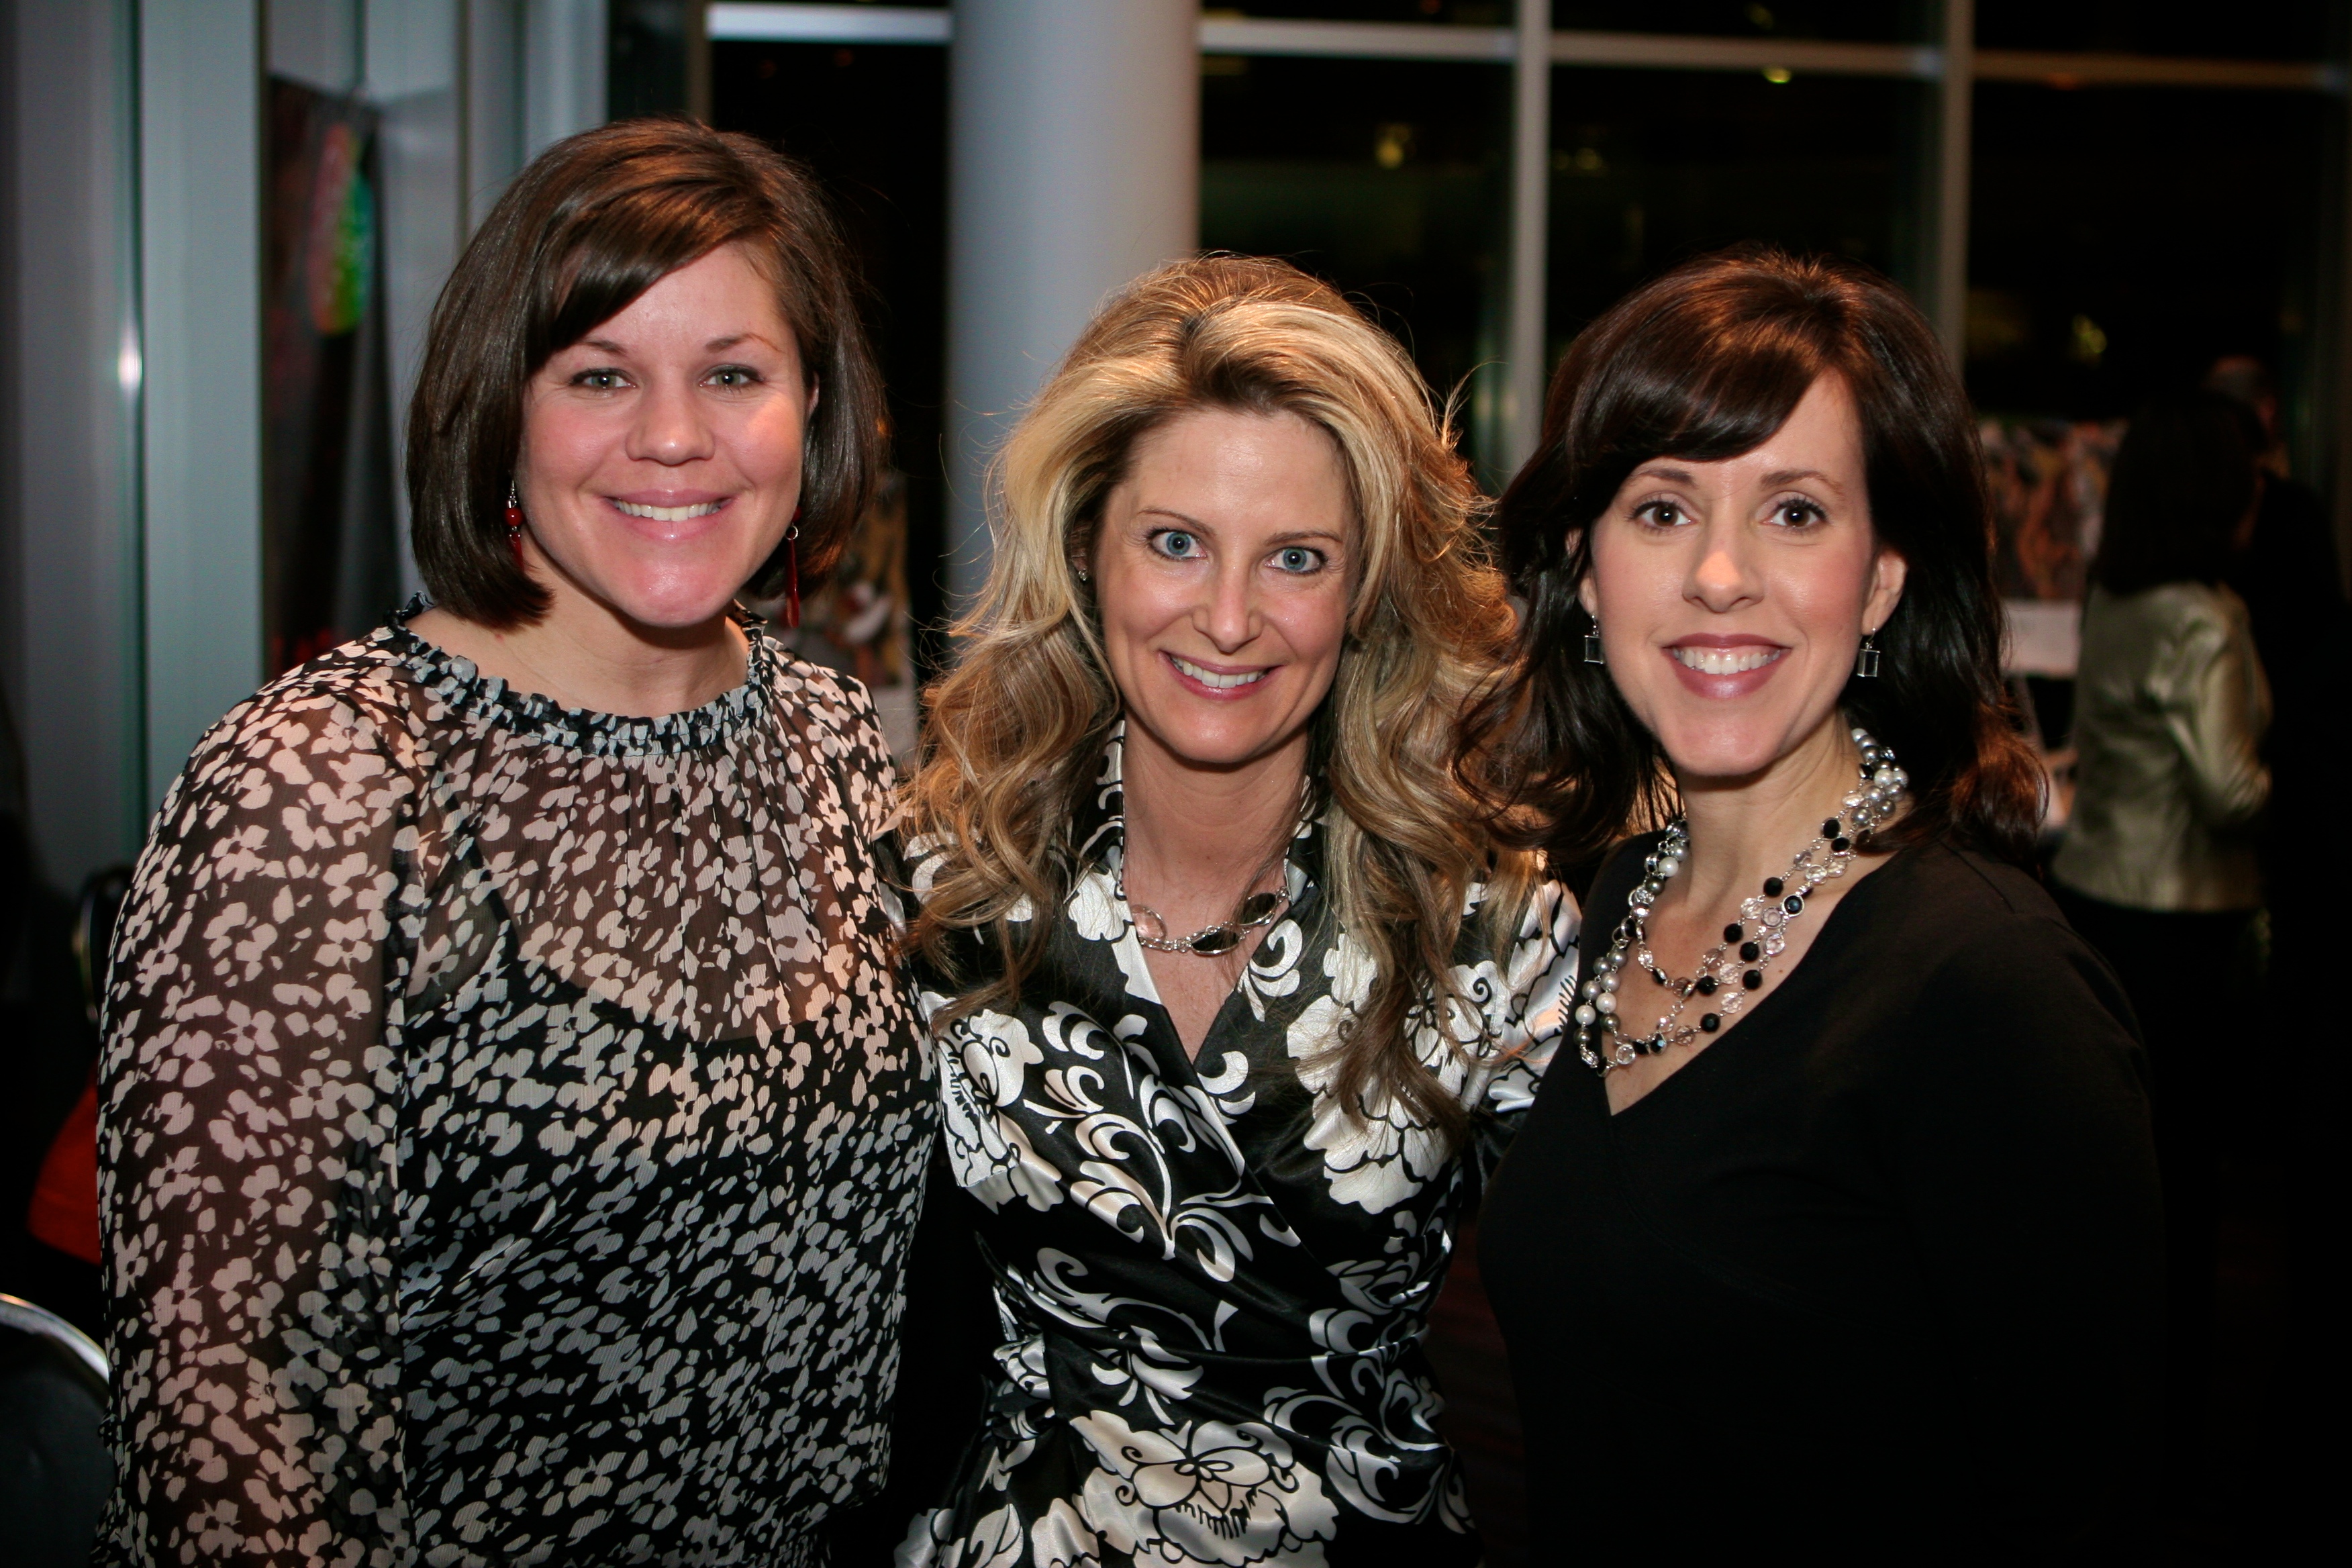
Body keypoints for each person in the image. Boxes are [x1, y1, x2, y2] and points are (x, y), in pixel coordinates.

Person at [95, 120, 932, 1564]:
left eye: (733, 374)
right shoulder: (327, 784)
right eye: (599, 375)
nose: (672, 436)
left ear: (816, 408)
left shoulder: (837, 744)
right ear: (502, 409)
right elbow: (221, 1405)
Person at [1465, 246, 2163, 1556]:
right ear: (1586, 565)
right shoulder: (1623, 893)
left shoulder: (1988, 992)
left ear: (1886, 576)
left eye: (1794, 513)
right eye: (1663, 510)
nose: (1721, 575)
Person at [893, 256, 1577, 1567]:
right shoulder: (949, 886)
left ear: (1367, 583)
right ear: (1088, 548)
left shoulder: (1484, 924)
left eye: (1297, 558)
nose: (1226, 617)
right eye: (1175, 542)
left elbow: (1637, 1315)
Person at [2051, 390, 2273, 1496]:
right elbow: (2229, 791)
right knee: (2181, 1191)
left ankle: (2098, 1403)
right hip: (2186, 918)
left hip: (2094, 897)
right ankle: (2169, 1431)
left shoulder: (2117, 595)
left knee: (2108, 1173)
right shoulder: (2205, 616)